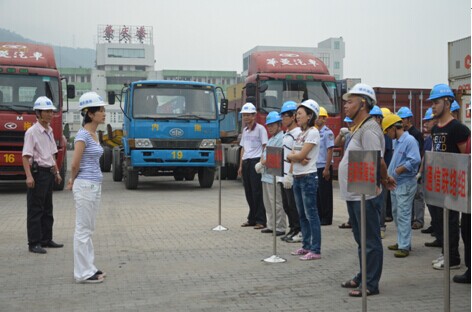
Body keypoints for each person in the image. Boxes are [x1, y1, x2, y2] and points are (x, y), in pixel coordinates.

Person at [338, 83, 395, 297]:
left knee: (370, 240)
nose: (346, 106)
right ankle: (363, 275)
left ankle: (371, 284)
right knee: (361, 239)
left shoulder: (370, 129)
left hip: (366, 194)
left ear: (363, 103)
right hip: (355, 193)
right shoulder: (360, 127)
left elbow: (376, 161)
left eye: (350, 101)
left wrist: (384, 178)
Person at [427, 84, 470, 270]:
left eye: (436, 102)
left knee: (452, 222)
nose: (433, 107)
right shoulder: (435, 129)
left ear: (447, 102)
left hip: (455, 185)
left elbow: (466, 158)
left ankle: (453, 258)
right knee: (442, 220)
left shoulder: (459, 129)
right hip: (440, 183)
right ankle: (446, 253)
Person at [67, 91, 108, 283]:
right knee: (82, 229)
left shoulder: (94, 134)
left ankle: (89, 267)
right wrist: (71, 180)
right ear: (90, 114)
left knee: (88, 229)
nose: (104, 113)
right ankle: (82, 273)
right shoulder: (82, 135)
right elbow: (75, 164)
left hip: (94, 185)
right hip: (84, 185)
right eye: (100, 110)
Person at [22, 96, 64, 254]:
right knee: (35, 209)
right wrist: (29, 176)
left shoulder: (50, 130)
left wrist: (57, 172)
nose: (49, 114)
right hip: (37, 173)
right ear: (38, 113)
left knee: (47, 208)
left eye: (51, 111)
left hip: (48, 173)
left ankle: (46, 239)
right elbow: (25, 156)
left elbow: (52, 154)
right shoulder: (32, 132)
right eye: (46, 111)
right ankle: (34, 243)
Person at [287, 99, 322, 261]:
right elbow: (290, 156)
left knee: (311, 214)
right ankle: (306, 245)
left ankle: (315, 249)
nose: (297, 116)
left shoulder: (313, 132)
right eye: (296, 114)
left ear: (310, 116)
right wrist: (297, 158)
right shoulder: (301, 134)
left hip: (308, 177)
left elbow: (299, 155)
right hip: (298, 177)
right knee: (302, 214)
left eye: (300, 114)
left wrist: (297, 157)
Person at [382, 114, 421, 258]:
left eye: (387, 131)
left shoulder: (409, 140)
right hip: (396, 183)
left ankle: (404, 246)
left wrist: (398, 170)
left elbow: (415, 160)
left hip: (405, 183)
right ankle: (401, 242)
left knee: (404, 214)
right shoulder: (396, 141)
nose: (387, 134)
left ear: (394, 128)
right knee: (397, 213)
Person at [256, 111, 286, 236]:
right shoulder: (271, 139)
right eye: (268, 125)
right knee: (268, 203)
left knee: (276, 203)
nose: (270, 128)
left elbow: (273, 156)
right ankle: (271, 224)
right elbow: (264, 154)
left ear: (279, 125)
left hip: (274, 176)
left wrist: (262, 163)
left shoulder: (281, 138)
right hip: (266, 175)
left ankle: (280, 227)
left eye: (272, 125)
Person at [238, 102, 268, 229]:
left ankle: (261, 220)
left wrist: (261, 163)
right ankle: (252, 218)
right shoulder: (245, 131)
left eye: (248, 115)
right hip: (246, 162)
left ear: (254, 115)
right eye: (244, 115)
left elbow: (265, 147)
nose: (246, 118)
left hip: (256, 161)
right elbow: (243, 149)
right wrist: (240, 166)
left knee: (257, 192)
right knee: (248, 192)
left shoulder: (260, 129)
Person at [397, 106, 425, 230]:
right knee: (408, 196)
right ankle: (409, 219)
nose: (401, 121)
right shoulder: (402, 134)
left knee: (418, 195)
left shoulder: (416, 134)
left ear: (408, 119)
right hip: (405, 171)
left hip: (415, 169)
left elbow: (420, 153)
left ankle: (418, 220)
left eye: (402, 119)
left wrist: (419, 171)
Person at [279, 101, 302, 243]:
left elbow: (296, 156)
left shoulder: (298, 134)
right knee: (287, 205)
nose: (283, 119)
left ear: (293, 116)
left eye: (285, 116)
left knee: (294, 206)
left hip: (291, 174)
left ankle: (298, 230)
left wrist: (290, 174)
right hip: (283, 173)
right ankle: (293, 228)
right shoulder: (287, 133)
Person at [419, 108, 438, 237]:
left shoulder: (437, 139)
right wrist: (420, 172)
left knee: (437, 205)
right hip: (427, 176)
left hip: (435, 177)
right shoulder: (427, 139)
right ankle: (435, 225)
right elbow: (425, 157)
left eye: (428, 121)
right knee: (430, 203)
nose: (425, 124)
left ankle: (438, 230)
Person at [315, 106, 334, 225]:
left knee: (325, 193)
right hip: (316, 166)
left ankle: (327, 218)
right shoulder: (315, 132)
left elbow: (330, 151)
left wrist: (327, 168)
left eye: (318, 117)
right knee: (318, 193)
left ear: (323, 119)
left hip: (324, 166)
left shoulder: (328, 133)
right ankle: (320, 215)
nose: (316, 119)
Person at [336, 117, 354, 230]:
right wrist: (340, 134)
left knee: (354, 196)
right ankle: (351, 219)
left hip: (355, 167)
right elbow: (336, 143)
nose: (349, 124)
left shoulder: (359, 133)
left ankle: (354, 220)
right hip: (347, 167)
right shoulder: (348, 134)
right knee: (349, 196)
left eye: (350, 122)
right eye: (348, 122)